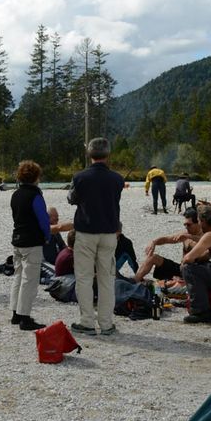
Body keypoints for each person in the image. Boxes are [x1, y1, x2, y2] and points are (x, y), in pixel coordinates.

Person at [66, 137, 125, 336]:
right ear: (108, 154)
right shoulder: (117, 179)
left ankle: (87, 322)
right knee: (107, 279)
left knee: (83, 278)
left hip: (86, 232)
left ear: (89, 154)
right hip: (109, 233)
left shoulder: (80, 177)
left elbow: (71, 199)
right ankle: (107, 324)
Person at [8, 160, 51, 331]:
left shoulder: (15, 194)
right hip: (32, 241)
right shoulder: (35, 196)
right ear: (36, 177)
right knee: (30, 280)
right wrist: (47, 236)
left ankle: (15, 313)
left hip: (17, 239)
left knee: (18, 276)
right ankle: (25, 317)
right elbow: (43, 219)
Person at [133, 207, 203, 283]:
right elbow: (167, 239)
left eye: (189, 225)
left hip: (196, 273)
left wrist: (190, 237)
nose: (186, 227)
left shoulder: (206, 237)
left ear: (198, 223)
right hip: (181, 269)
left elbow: (203, 246)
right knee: (153, 258)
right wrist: (154, 242)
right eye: (185, 225)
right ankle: (133, 282)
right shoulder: (185, 234)